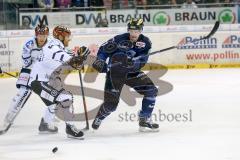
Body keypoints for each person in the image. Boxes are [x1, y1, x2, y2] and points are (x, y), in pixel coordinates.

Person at [92, 18, 159, 132]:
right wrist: (100, 61)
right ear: (128, 30)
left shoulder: (145, 43)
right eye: (131, 31)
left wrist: (133, 63)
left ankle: (145, 118)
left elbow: (142, 61)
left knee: (151, 90)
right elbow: (103, 50)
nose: (134, 34)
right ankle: (99, 117)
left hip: (132, 73)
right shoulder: (118, 39)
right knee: (111, 105)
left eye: (136, 31)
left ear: (141, 30)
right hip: (115, 74)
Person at [29, 25, 94, 139]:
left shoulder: (58, 46)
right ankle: (70, 128)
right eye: (67, 36)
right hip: (39, 82)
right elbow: (63, 57)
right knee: (65, 98)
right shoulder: (53, 46)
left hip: (47, 80)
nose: (69, 39)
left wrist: (78, 56)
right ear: (60, 36)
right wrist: (77, 58)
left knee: (54, 103)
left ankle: (44, 125)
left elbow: (70, 59)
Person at [3, 24, 58, 134]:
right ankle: (8, 119)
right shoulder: (29, 44)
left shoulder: (53, 44)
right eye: (39, 35)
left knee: (53, 96)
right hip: (29, 70)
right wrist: (34, 74)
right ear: (36, 35)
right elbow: (26, 62)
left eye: (44, 35)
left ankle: (47, 121)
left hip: (44, 72)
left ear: (47, 35)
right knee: (22, 93)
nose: (42, 38)